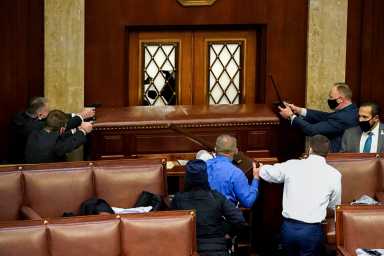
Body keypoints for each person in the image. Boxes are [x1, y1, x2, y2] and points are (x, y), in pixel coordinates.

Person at [257, 135, 341, 256]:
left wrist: (260, 168)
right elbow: (335, 204)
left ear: (310, 149)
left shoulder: (292, 165)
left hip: (288, 229)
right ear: (328, 152)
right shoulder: (334, 175)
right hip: (312, 231)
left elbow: (268, 173)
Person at [171, 160, 247, 256]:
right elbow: (239, 220)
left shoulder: (178, 199)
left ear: (186, 178)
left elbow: (170, 227)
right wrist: (229, 233)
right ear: (205, 177)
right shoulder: (217, 197)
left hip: (190, 249)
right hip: (218, 249)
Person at [8, 97, 95, 163]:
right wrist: (83, 130)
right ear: (40, 115)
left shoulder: (35, 134)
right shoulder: (31, 128)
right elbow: (71, 143)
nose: (49, 113)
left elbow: (55, 127)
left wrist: (76, 127)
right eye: (48, 111)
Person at [279, 82, 358, 152]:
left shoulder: (343, 117)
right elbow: (325, 116)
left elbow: (311, 130)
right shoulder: (352, 110)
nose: (329, 100)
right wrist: (299, 110)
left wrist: (291, 116)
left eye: (331, 97)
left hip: (336, 157)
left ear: (340, 99)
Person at [206, 135, 259, 208]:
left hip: (202, 215)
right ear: (236, 151)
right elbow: (248, 202)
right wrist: (256, 179)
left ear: (215, 149)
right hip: (224, 217)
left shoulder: (203, 166)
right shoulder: (236, 173)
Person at [25, 109, 93, 163]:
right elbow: (71, 143)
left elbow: (58, 125)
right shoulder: (55, 145)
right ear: (62, 129)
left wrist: (81, 116)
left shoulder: (34, 132)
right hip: (50, 175)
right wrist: (83, 130)